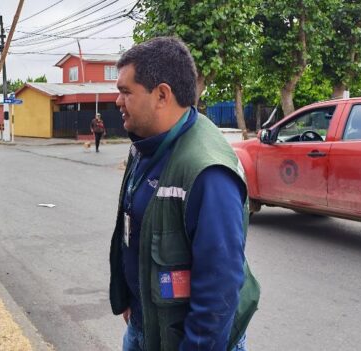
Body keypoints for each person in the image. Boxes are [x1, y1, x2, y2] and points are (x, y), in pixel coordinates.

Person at [108, 37, 260, 351]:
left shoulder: (207, 171)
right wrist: (128, 300)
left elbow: (219, 289)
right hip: (145, 329)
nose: (117, 101)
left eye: (125, 92)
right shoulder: (146, 143)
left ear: (161, 94)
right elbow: (132, 229)